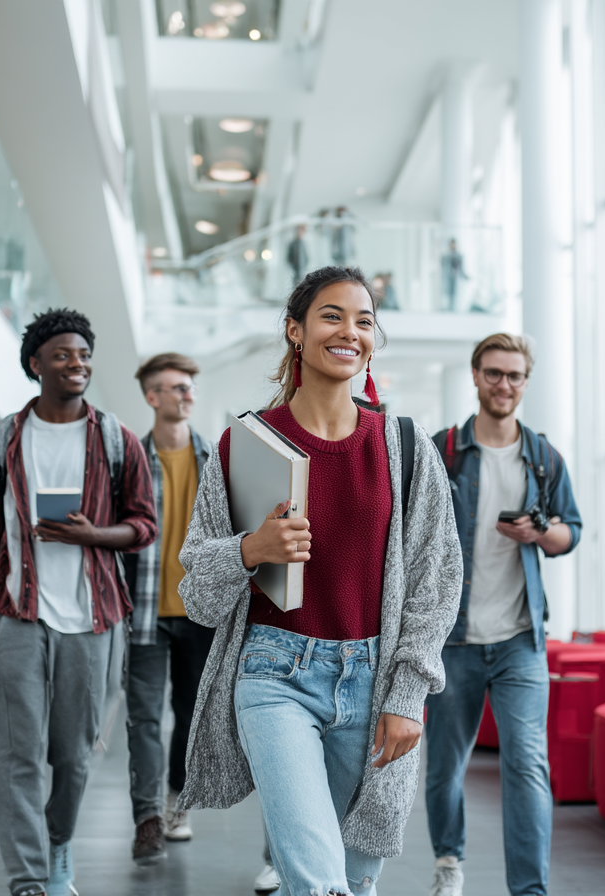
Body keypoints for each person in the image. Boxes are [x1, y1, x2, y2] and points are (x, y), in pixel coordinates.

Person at [175, 265, 463, 896]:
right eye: (332, 315)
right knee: (315, 878)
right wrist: (251, 549)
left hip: (376, 678)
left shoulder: (405, 446)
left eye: (364, 321)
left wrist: (407, 695)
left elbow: (437, 580)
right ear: (295, 331)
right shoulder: (243, 444)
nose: (349, 332)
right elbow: (197, 596)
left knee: (355, 879)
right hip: (272, 675)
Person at [0, 308, 158, 896]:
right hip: (15, 613)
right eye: (63, 355)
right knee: (16, 752)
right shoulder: (2, 439)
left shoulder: (116, 439)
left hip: (93, 617)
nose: (77, 364)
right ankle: (27, 877)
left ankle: (58, 846)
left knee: (74, 754)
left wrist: (92, 535)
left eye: (84, 355)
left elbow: (144, 526)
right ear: (36, 363)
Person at [424, 333, 584, 896]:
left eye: (514, 376)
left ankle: (530, 891)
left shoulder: (543, 457)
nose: (504, 385)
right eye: (494, 373)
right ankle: (449, 860)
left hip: (520, 639)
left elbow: (570, 532)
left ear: (525, 382)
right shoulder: (443, 451)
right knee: (445, 768)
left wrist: (539, 533)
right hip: (453, 639)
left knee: (528, 765)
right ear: (475, 375)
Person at [123, 352, 214, 863]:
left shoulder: (215, 460)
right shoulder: (130, 459)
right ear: (152, 396)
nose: (187, 394)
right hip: (143, 612)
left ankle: (177, 801)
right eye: (176, 387)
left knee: (189, 715)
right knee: (143, 719)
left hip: (199, 613)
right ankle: (147, 819)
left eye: (189, 386)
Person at [440, 239, 467, 312]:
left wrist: (466, 277)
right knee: (447, 298)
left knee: (455, 299)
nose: (453, 246)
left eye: (454, 244)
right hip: (447, 281)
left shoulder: (459, 256)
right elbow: (443, 269)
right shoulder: (446, 256)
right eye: (452, 244)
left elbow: (461, 270)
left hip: (456, 281)